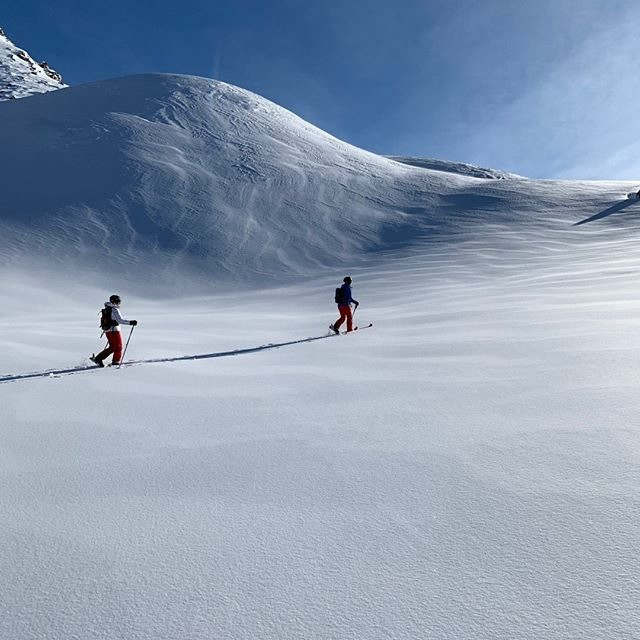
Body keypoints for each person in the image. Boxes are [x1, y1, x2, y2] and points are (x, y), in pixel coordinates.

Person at [91, 294, 138, 367]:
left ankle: (99, 358)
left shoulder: (107, 309)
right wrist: (131, 322)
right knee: (118, 346)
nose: (119, 303)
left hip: (107, 330)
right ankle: (114, 362)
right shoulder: (114, 309)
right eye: (118, 301)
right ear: (115, 301)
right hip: (114, 330)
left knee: (113, 347)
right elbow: (120, 320)